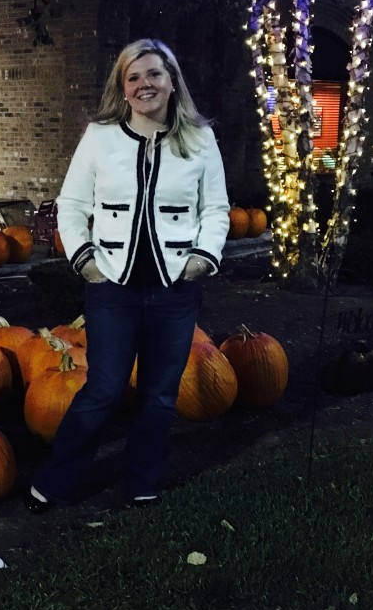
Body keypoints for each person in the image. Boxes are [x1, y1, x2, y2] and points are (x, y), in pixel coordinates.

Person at [25, 38, 230, 512]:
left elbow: (216, 209)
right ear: (123, 87)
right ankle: (56, 481)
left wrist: (201, 258)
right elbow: (71, 205)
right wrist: (86, 262)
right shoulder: (101, 135)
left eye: (154, 74)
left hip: (175, 288)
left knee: (159, 396)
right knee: (102, 390)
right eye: (133, 77)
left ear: (172, 81)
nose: (145, 85)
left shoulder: (200, 138)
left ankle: (143, 481)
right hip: (111, 287)